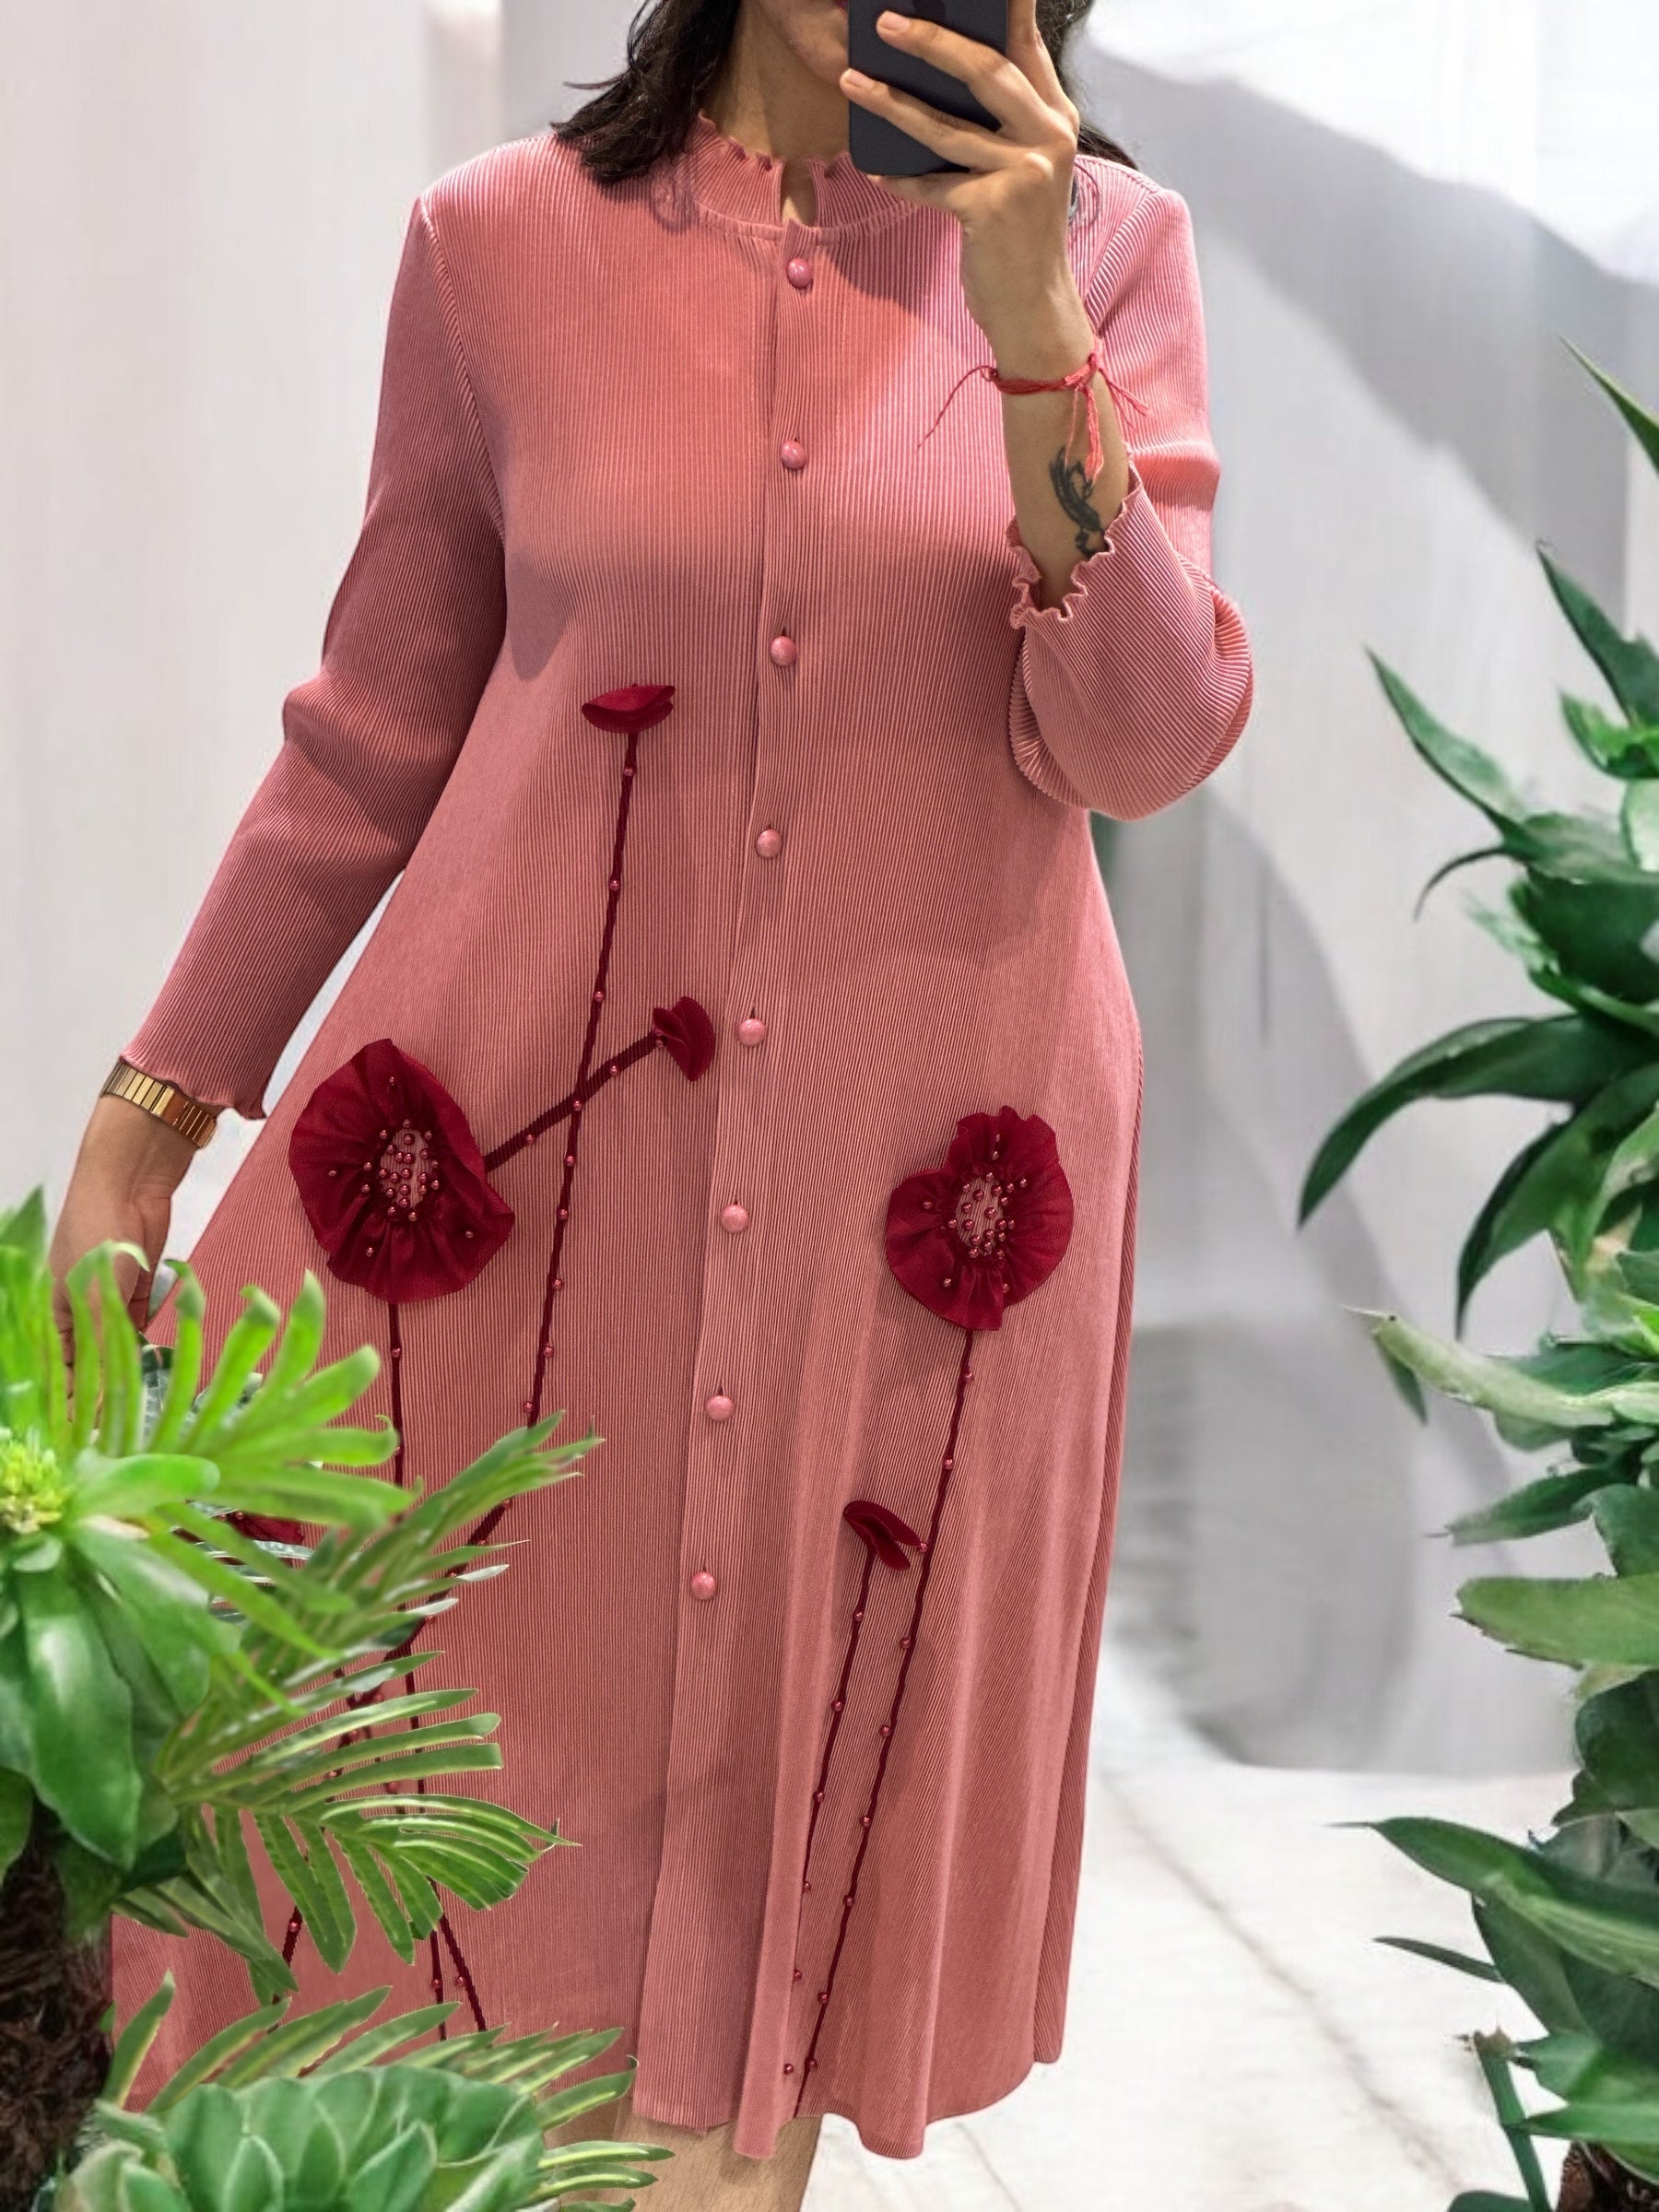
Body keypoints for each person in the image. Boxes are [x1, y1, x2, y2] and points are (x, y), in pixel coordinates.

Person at [51, 0, 1254, 2203]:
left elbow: (1141, 741)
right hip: (520, 1171)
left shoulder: (1110, 257)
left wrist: (1028, 323)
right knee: (406, 1846)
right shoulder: (498, 244)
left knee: (759, 1925)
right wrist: (152, 1114)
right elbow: (374, 728)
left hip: (908, 1200)